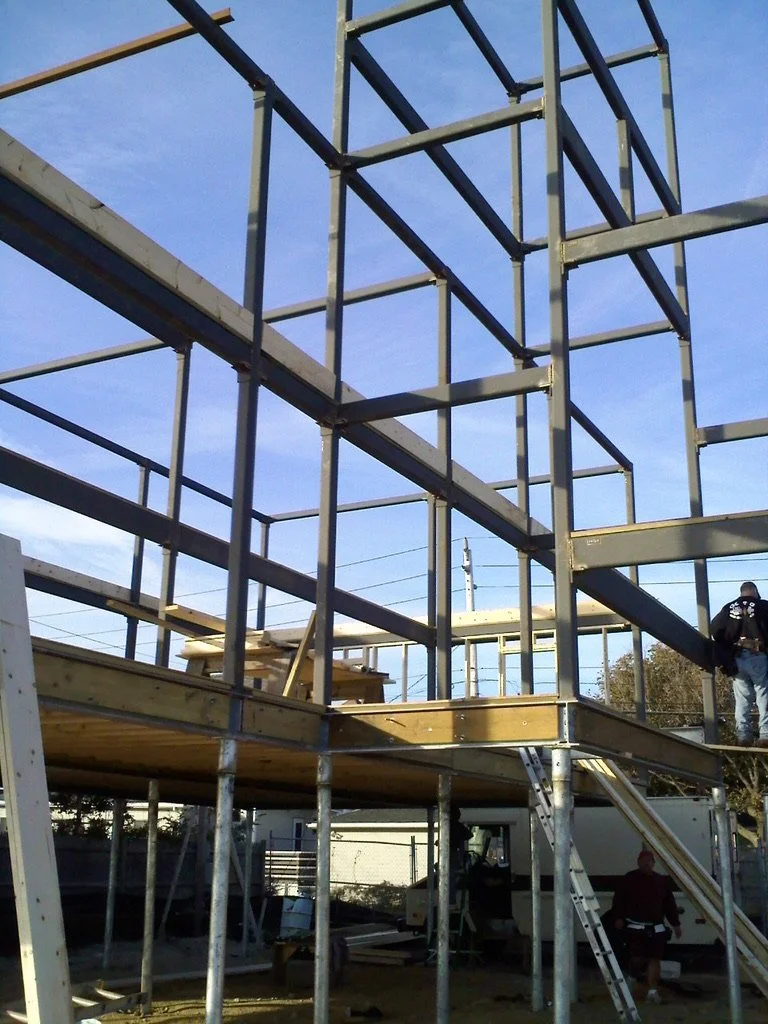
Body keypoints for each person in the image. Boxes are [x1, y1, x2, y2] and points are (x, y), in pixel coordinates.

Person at [611, 850, 682, 1004]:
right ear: (638, 862)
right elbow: (619, 900)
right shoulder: (629, 879)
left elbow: (669, 904)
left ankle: (652, 991)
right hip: (635, 926)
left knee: (654, 959)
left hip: (656, 927)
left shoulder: (661, 881)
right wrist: (618, 917)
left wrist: (676, 924)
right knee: (637, 958)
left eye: (649, 861)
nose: (646, 864)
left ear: (653, 863)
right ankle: (632, 976)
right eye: (643, 861)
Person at [710, 581, 768, 747]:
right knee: (763, 693)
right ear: (755, 592)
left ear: (741, 593)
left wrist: (728, 647)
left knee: (742, 698)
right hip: (758, 655)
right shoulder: (763, 605)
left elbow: (715, 629)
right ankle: (765, 734)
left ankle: (743, 735)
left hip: (736, 657)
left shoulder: (729, 607)